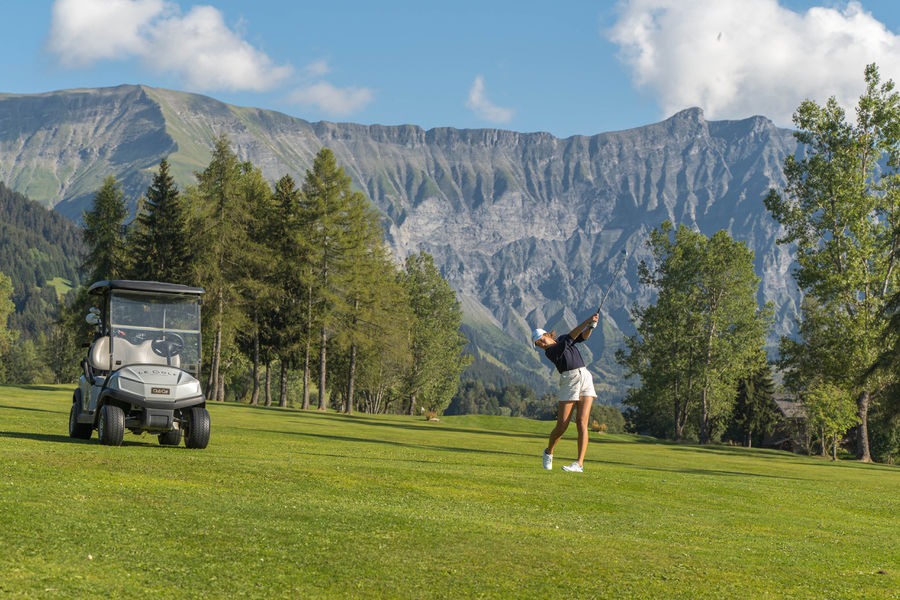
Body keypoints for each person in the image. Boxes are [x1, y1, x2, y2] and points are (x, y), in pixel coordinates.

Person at [532, 312, 599, 472]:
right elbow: (571, 337)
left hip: (585, 376)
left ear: (548, 335)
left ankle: (579, 464)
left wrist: (590, 326)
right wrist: (586, 320)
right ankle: (549, 452)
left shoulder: (562, 338)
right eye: (538, 344)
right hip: (569, 380)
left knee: (582, 422)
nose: (542, 344)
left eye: (542, 339)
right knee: (562, 425)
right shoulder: (550, 352)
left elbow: (583, 337)